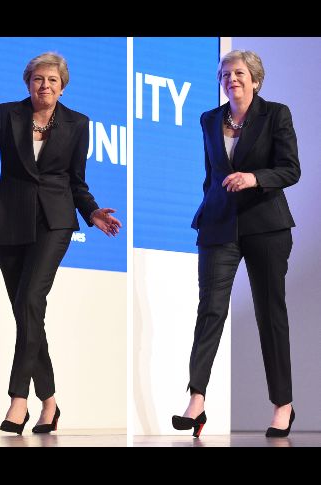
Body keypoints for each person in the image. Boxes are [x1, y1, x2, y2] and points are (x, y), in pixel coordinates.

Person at [0, 52, 121, 435]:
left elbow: (76, 180)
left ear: (62, 87)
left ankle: (18, 400)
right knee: (27, 313)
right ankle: (50, 403)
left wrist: (92, 212)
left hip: (55, 221)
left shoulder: (78, 124)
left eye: (52, 81)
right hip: (8, 221)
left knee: (30, 302)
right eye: (37, 80)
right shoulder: (6, 114)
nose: (44, 86)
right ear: (27, 83)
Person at [172, 50, 300, 438]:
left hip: (266, 225)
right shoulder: (209, 119)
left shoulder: (276, 114)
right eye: (226, 73)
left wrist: (254, 178)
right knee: (209, 309)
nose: (232, 78)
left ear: (255, 80)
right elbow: (211, 174)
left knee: (269, 313)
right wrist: (208, 209)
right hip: (219, 224)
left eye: (239, 73)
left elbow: (290, 169)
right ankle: (196, 399)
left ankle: (283, 405)